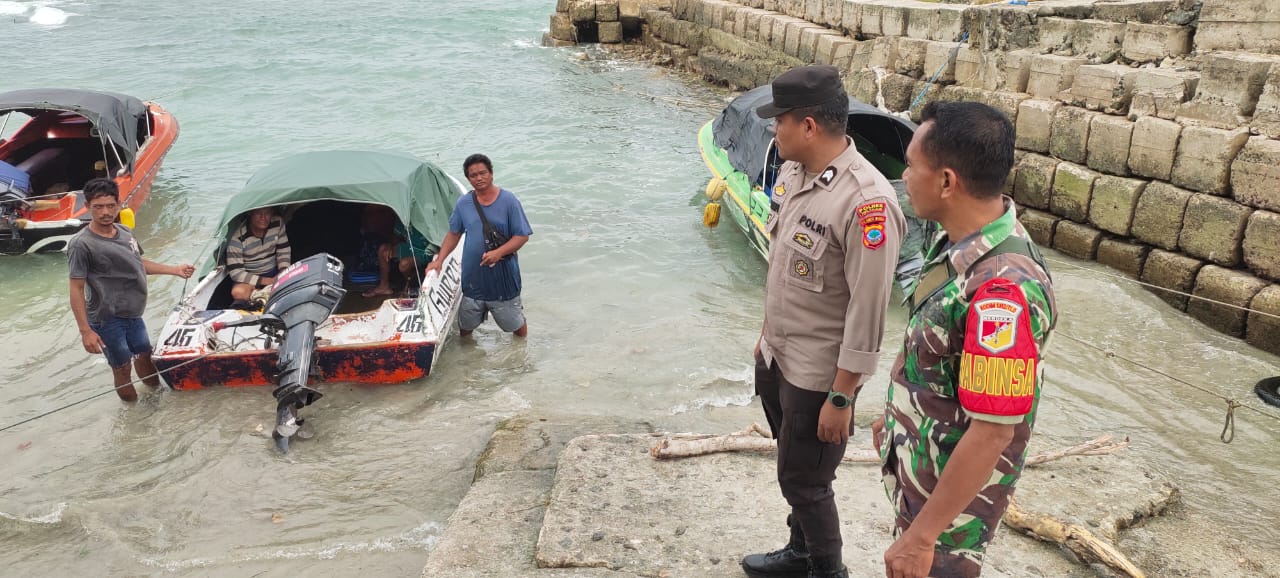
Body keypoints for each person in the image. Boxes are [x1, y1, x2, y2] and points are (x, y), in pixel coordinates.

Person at [872, 101, 1057, 578]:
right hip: (924, 474)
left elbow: (994, 430)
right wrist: (893, 418)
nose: (905, 176)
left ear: (947, 182)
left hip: (950, 516)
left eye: (912, 165)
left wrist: (922, 537)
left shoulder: (1002, 291)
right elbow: (937, 353)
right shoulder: (957, 243)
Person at [741, 65, 906, 578]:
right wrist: (766, 337)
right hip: (779, 355)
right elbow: (786, 267)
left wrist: (842, 396)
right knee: (794, 466)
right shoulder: (794, 173)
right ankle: (801, 551)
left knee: (807, 481)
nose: (773, 129)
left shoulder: (867, 203)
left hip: (820, 374)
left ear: (809, 125)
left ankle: (827, 570)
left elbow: (868, 309)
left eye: (780, 120)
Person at [68, 178, 194, 402]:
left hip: (133, 314)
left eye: (110, 205)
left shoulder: (126, 232)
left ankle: (156, 402)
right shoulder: (81, 244)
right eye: (98, 207)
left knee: (145, 356)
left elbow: (138, 263)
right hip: (107, 319)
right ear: (87, 206)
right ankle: (133, 416)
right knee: (122, 368)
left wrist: (174, 270)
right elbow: (76, 288)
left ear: (119, 204)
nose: (106, 212)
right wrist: (85, 331)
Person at [425, 153, 532, 338]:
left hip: (503, 281)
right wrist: (439, 260)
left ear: (491, 174)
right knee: (465, 328)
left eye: (483, 173)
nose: (479, 178)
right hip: (472, 279)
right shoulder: (464, 203)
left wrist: (498, 253)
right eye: (473, 175)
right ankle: (468, 360)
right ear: (468, 179)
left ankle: (521, 355)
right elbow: (454, 233)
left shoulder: (509, 201)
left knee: (515, 324)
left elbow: (522, 236)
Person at [225, 206, 290, 307]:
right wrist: (267, 282)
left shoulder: (278, 223)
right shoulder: (237, 237)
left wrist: (283, 272)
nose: (263, 217)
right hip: (249, 280)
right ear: (250, 214)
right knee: (238, 292)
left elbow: (283, 250)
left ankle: (261, 296)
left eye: (267, 213)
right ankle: (264, 294)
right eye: (258, 213)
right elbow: (236, 273)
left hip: (274, 272)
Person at [364, 206, 432, 297]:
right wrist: (390, 246)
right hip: (410, 247)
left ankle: (411, 284)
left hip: (426, 251)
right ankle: (384, 287)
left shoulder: (426, 216)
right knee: (383, 250)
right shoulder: (403, 216)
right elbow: (397, 237)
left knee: (404, 264)